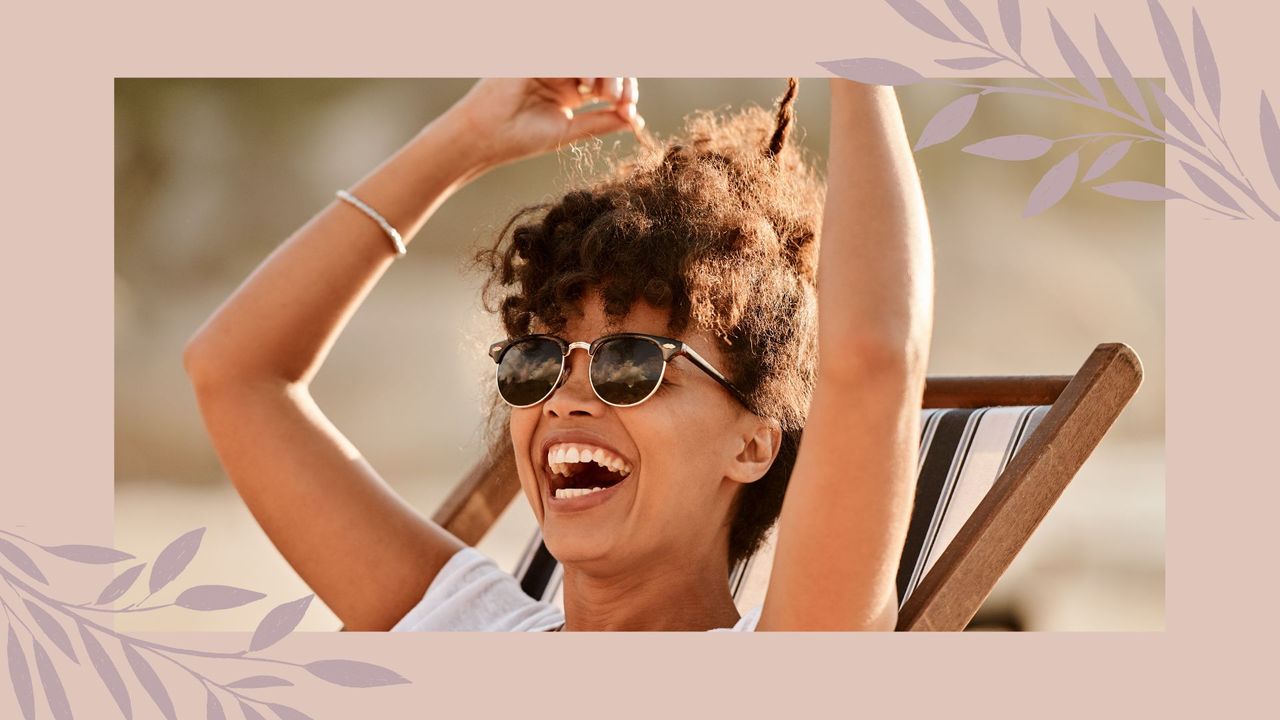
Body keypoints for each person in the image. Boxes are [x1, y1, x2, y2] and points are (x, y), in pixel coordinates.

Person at [182, 77, 933, 632]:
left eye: (631, 366)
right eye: (539, 361)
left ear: (753, 443)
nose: (566, 399)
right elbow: (234, 372)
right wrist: (468, 139)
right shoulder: (461, 624)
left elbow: (873, 361)